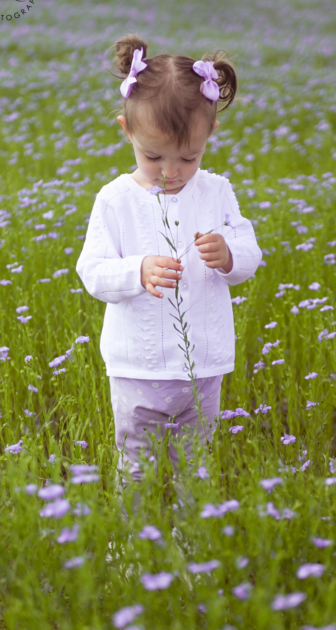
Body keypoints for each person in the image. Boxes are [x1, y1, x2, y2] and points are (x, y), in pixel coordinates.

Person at [75, 33, 263, 507]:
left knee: (195, 467)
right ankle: (130, 553)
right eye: (153, 157)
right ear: (127, 132)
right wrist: (137, 271)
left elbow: (248, 251)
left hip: (204, 366)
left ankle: (193, 547)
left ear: (208, 138)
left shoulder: (217, 191)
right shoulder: (115, 199)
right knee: (135, 467)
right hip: (137, 369)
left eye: (189, 157)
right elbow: (93, 271)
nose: (171, 172)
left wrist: (231, 255)